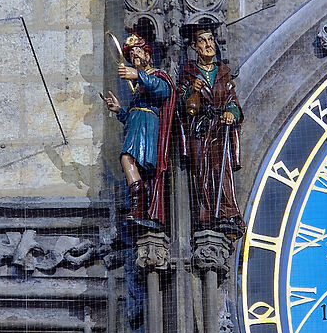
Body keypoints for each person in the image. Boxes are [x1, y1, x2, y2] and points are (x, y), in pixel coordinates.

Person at [103, 20, 174, 226]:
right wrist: (119, 110)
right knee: (131, 163)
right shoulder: (139, 89)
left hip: (147, 126)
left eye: (137, 53)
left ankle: (140, 206)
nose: (134, 58)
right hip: (136, 124)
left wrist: (138, 75)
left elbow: (164, 90)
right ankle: (140, 208)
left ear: (148, 55)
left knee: (127, 159)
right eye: (131, 56)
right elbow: (130, 117)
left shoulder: (156, 76)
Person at [176, 25, 243, 233]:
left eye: (211, 39)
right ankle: (206, 215)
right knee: (202, 172)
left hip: (221, 128)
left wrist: (231, 112)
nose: (208, 45)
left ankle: (227, 213)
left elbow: (233, 101)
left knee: (221, 170)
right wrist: (190, 91)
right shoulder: (188, 73)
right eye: (203, 41)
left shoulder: (223, 73)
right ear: (195, 47)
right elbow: (180, 106)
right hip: (200, 129)